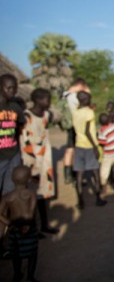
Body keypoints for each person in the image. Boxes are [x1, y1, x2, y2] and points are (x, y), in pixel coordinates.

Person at [20, 88, 59, 235]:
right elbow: (25, 141)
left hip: (44, 161)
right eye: (47, 99)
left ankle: (44, 224)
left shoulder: (45, 115)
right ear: (38, 100)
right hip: (31, 160)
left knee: (43, 193)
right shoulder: (27, 116)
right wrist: (31, 162)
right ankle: (32, 227)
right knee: (31, 194)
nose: (49, 103)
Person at [0, 165, 39, 282]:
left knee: (15, 253)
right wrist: (27, 225)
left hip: (14, 228)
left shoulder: (8, 196)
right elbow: (31, 213)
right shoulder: (30, 194)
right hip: (28, 227)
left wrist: (9, 223)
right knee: (32, 252)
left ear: (12, 179)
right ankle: (30, 276)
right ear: (28, 179)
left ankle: (17, 274)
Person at [71, 91, 106, 209]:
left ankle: (80, 200)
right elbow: (87, 131)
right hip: (89, 146)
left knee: (79, 174)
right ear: (85, 99)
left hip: (78, 145)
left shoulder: (75, 112)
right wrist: (95, 147)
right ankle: (98, 198)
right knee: (95, 172)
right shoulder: (89, 112)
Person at [0, 74, 25, 199]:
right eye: (8, 88)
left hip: (13, 154)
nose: (12, 91)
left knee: (10, 189)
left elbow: (20, 126)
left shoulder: (15, 108)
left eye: (14, 88)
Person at [61, 78, 90, 185]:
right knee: (76, 151)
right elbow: (87, 102)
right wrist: (87, 91)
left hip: (70, 126)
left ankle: (68, 176)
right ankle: (76, 175)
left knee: (69, 149)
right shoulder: (74, 97)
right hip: (76, 126)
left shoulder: (66, 95)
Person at [97, 113, 114, 196]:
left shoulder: (102, 131)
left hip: (107, 154)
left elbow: (102, 143)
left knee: (104, 173)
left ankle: (104, 187)